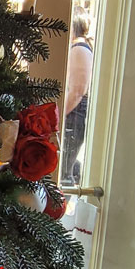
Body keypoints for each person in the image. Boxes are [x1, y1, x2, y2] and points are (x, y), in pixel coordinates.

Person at [61, 17, 93, 185]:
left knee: (64, 169)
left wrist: (58, 116)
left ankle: (61, 208)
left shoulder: (79, 49)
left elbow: (77, 91)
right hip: (76, 112)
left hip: (75, 114)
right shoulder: (80, 47)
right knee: (67, 166)